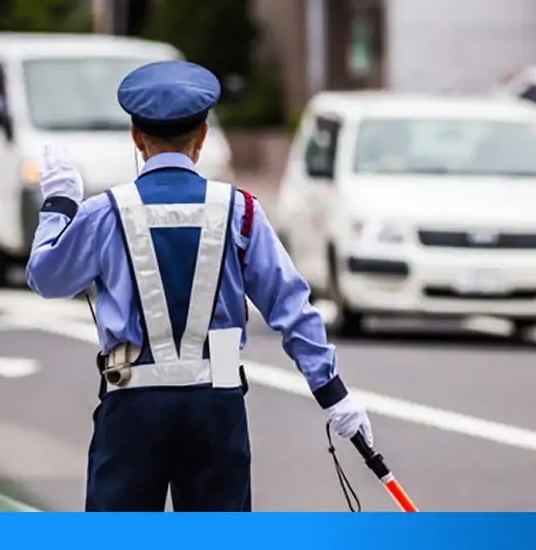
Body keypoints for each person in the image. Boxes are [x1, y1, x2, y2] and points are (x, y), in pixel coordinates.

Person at [25, 60, 374, 512]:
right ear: (203, 135)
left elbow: (46, 277)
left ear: (136, 137)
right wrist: (333, 394)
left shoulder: (106, 212)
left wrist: (59, 204)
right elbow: (290, 305)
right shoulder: (240, 210)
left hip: (131, 405)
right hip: (216, 406)